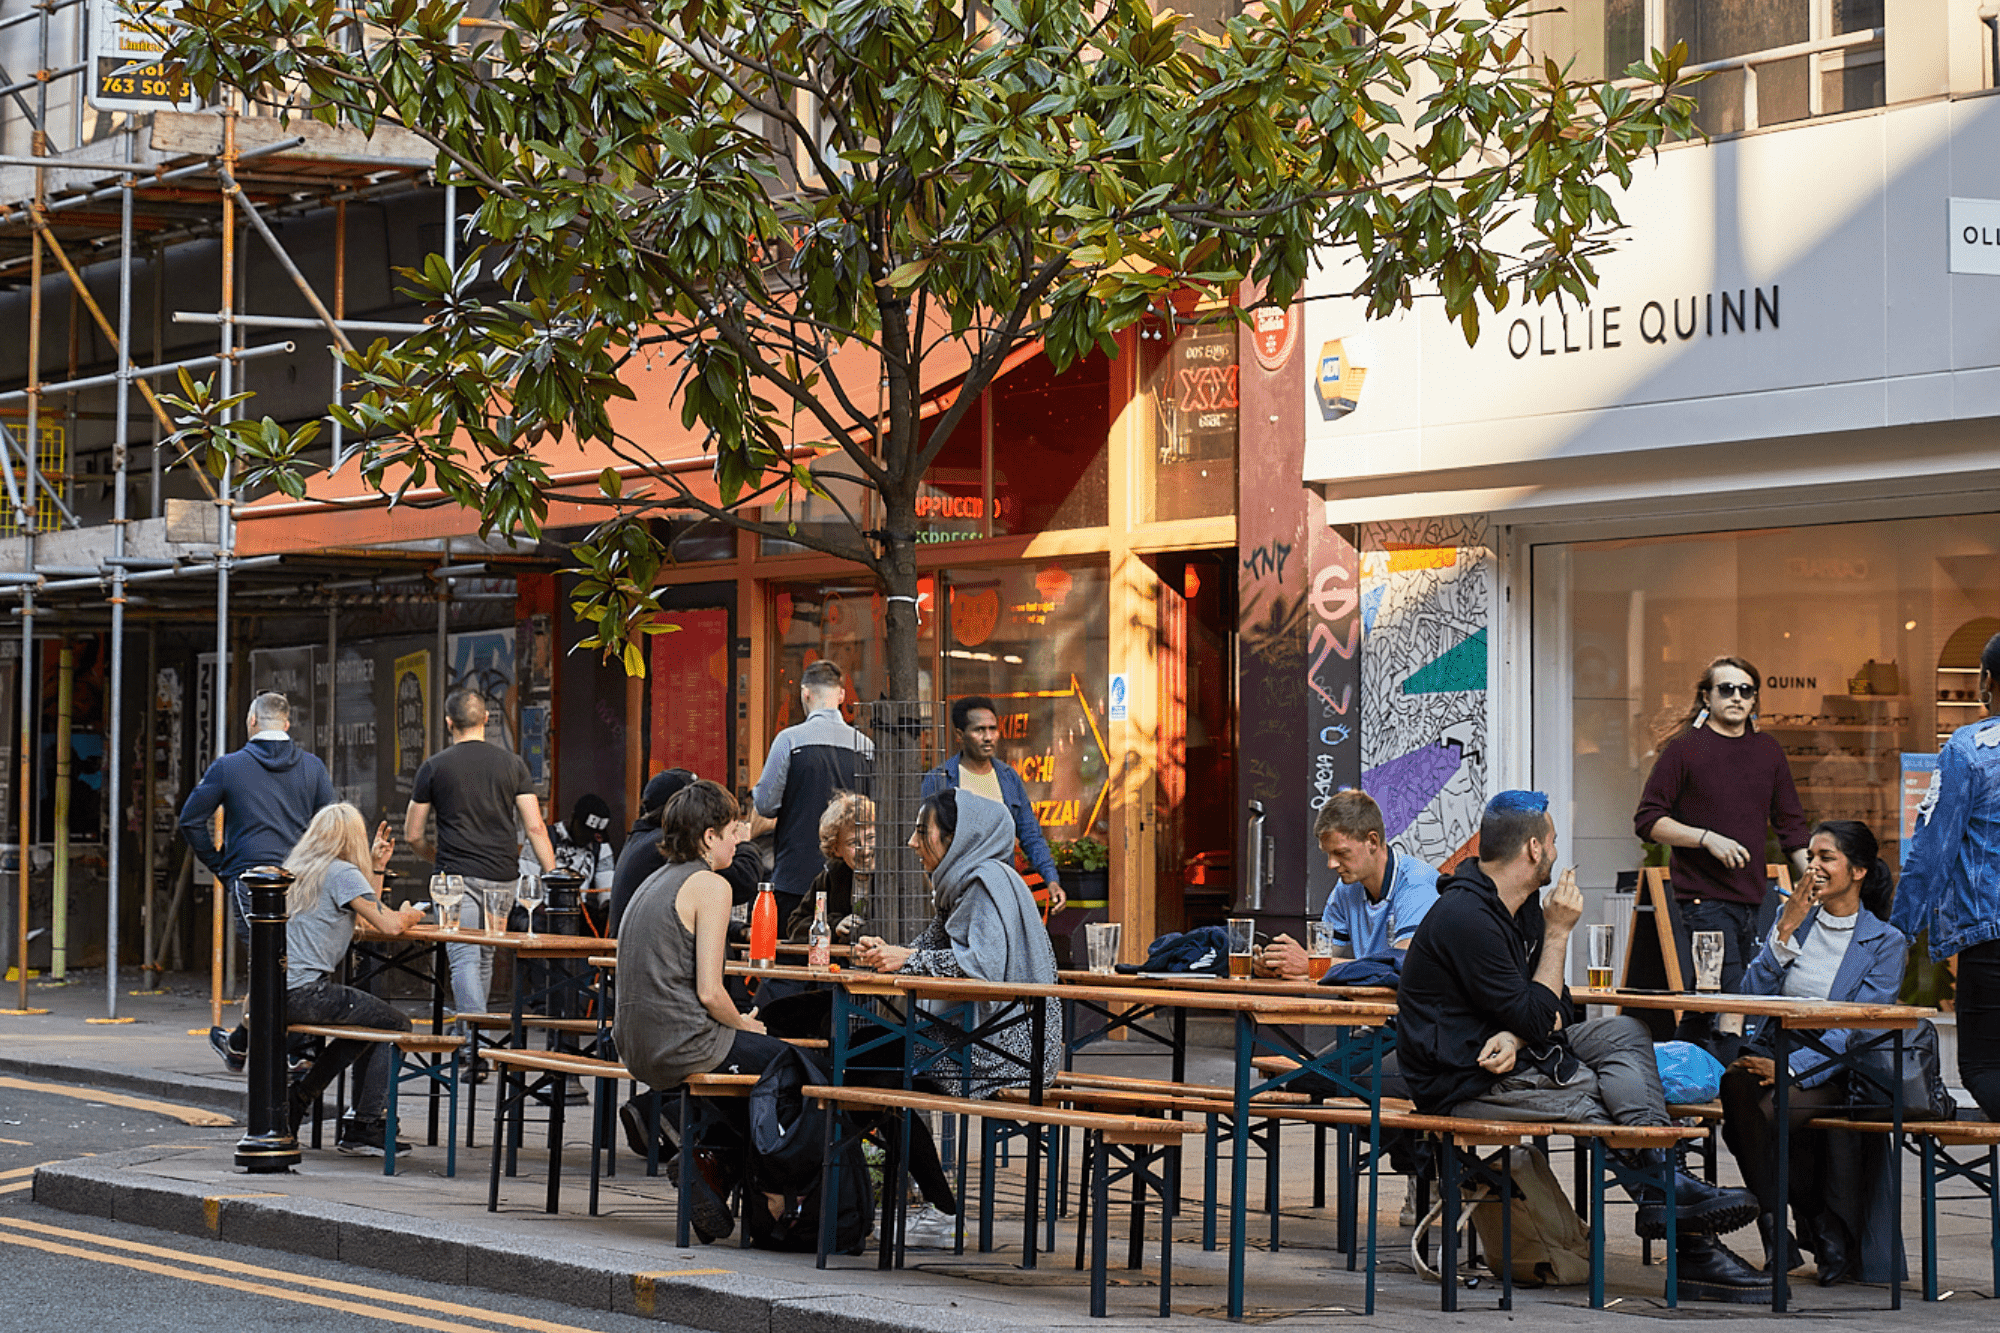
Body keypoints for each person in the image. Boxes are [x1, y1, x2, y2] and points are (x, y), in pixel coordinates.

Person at [1398, 789, 1769, 1302]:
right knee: (1601, 1092)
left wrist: (1516, 1031)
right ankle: (1689, 1235)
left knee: (1624, 1032)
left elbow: (1560, 1009)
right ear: (1533, 848)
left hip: (1515, 1053)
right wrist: (1557, 936)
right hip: (1461, 1079)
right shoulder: (1467, 916)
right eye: (1551, 841)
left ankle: (1666, 1189)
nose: (1556, 852)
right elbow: (1540, 1012)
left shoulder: (1520, 907)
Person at [1720, 819, 1907, 1285]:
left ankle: (1804, 1228)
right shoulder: (1795, 920)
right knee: (1737, 1086)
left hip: (1838, 1066)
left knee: (1759, 1116)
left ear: (1858, 871)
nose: (1814, 867)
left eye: (1827, 857)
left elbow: (1859, 1028)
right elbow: (1751, 997)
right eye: (1811, 857)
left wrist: (1791, 1069)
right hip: (1775, 1046)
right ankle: (1796, 1229)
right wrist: (1784, 931)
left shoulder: (1885, 942)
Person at [612, 779, 791, 1242]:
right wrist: (745, 1023)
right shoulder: (710, 885)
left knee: (747, 1079)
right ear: (709, 837)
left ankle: (711, 1167)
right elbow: (711, 993)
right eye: (733, 831)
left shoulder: (653, 880)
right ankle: (767, 1194)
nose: (740, 840)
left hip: (633, 1044)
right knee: (787, 1065)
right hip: (683, 1041)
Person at [854, 788, 1063, 1098]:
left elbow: (982, 966)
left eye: (922, 832)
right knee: (869, 1050)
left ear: (956, 839)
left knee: (863, 1054)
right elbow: (928, 948)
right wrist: (884, 952)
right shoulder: (965, 883)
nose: (912, 842)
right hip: (1003, 1046)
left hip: (1008, 1058)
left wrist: (907, 959)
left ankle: (889, 1134)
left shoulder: (983, 884)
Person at [1634, 656, 1810, 1017]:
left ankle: (1693, 1052)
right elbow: (1648, 820)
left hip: (1754, 899)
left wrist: (1814, 877)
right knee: (1731, 1001)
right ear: (1707, 696)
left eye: (1746, 690)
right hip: (1704, 900)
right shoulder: (1684, 749)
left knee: (1716, 1004)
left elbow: (1791, 825)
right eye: (1726, 689)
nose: (1737, 697)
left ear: (1755, 698)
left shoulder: (1769, 751)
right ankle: (1724, 1054)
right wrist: (1706, 838)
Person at [178, 690, 335, 1072]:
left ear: (252, 721)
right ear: (287, 723)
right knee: (289, 963)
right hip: (301, 881)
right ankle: (249, 1045)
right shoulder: (313, 767)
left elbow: (190, 820)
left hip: (251, 881)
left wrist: (222, 866)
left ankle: (291, 1050)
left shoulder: (228, 767)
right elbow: (331, 825)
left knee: (271, 966)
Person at [1894, 631, 2000, 1122]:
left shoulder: (1970, 748)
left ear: (1986, 681)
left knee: (1982, 1068)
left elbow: (1932, 851)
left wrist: (1899, 932)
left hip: (1991, 937)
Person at [281, 802, 426, 1156]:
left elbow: (362, 916)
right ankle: (366, 1124)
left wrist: (377, 868)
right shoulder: (342, 872)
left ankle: (301, 1100)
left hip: (282, 992)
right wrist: (411, 914)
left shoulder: (300, 869)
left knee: (367, 1026)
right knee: (397, 1025)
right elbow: (389, 925)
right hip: (309, 993)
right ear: (352, 839)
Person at [404, 687, 556, 1024]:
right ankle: (476, 1037)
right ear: (486, 718)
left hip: (454, 877)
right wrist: (554, 876)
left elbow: (413, 834)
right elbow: (535, 828)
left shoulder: (433, 767)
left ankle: (472, 1039)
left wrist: (436, 857)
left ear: (448, 722)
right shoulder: (513, 765)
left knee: (464, 957)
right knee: (485, 955)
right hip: (503, 877)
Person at [1257, 789, 1439, 980]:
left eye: (1341, 853)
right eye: (1328, 854)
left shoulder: (1417, 883)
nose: (1331, 864)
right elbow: (1318, 962)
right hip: (1365, 997)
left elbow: (1405, 967)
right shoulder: (1346, 888)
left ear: (1372, 841)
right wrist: (1279, 966)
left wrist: (1311, 965)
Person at [921, 696, 1068, 914]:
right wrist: (939, 891)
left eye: (992, 729)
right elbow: (926, 840)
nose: (988, 737)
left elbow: (1030, 834)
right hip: (956, 896)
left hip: (1000, 893)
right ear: (960, 735)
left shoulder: (1008, 778)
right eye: (979, 730)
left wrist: (1052, 880)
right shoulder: (940, 780)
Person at [751, 660, 873, 923]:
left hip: (795, 874)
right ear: (841, 695)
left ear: (805, 693)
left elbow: (764, 804)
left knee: (792, 941)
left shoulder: (789, 740)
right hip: (847, 879)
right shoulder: (865, 747)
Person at [608, 768, 767, 937]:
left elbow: (684, 917)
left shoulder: (642, 839)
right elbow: (743, 881)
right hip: (653, 950)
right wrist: (743, 842)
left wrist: (737, 930)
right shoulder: (670, 844)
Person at [785, 790, 873, 942]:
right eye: (853, 843)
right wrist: (833, 925)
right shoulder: (830, 877)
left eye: (871, 838)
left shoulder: (898, 876)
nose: (865, 850)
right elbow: (795, 925)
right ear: (836, 849)